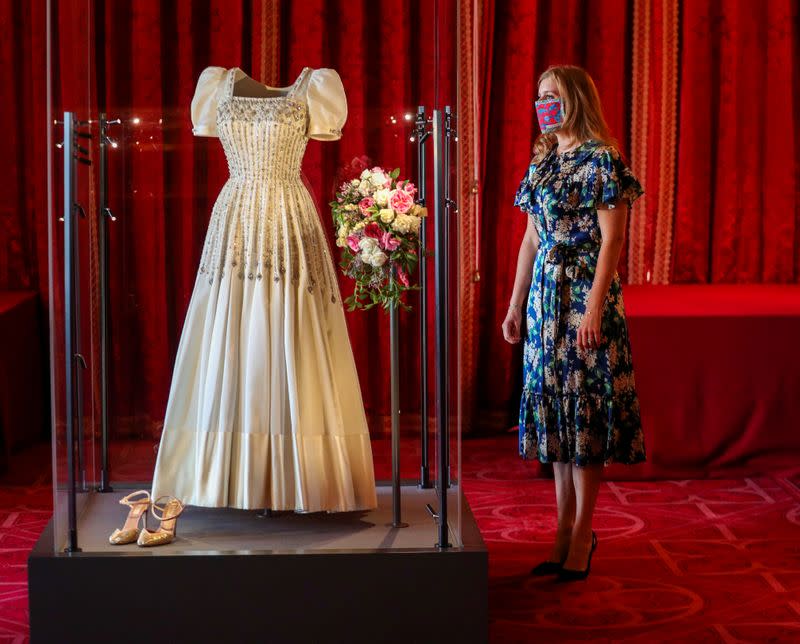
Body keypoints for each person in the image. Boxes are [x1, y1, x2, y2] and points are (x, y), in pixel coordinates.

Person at [502, 64, 647, 582]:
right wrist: (516, 303)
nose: (545, 104)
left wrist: (592, 307)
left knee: (584, 414)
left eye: (554, 96)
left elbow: (612, 241)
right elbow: (531, 239)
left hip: (585, 294)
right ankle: (561, 531)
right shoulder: (542, 162)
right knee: (557, 416)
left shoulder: (602, 159)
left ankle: (584, 532)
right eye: (539, 95)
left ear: (577, 100)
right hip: (545, 299)